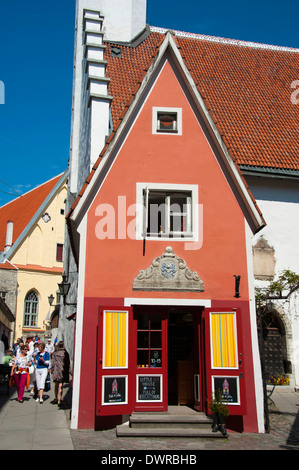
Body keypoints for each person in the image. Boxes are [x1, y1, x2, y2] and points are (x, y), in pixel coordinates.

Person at [51, 341, 70, 406]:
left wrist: (52, 371)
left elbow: (53, 363)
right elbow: (67, 363)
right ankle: (59, 399)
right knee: (61, 385)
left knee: (56, 384)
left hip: (56, 370)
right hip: (63, 370)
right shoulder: (66, 353)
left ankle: (56, 398)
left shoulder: (55, 353)